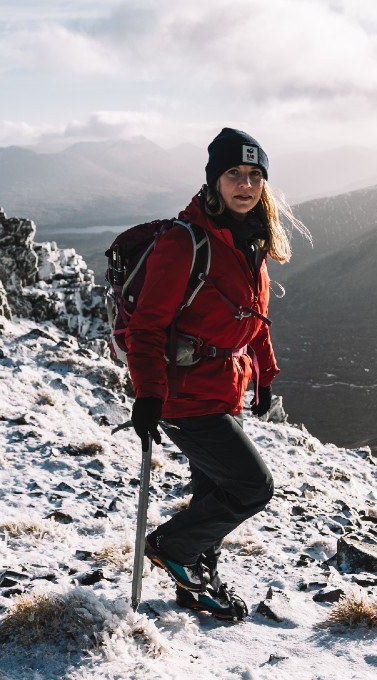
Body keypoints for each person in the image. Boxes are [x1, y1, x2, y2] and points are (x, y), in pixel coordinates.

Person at [125, 127, 307, 621]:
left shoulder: (251, 241)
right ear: (214, 180)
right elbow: (146, 329)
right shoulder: (186, 243)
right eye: (234, 174)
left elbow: (254, 320)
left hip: (226, 387)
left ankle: (198, 585)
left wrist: (264, 377)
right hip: (184, 395)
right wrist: (148, 397)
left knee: (213, 492)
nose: (245, 185)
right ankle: (172, 547)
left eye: (254, 175)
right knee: (253, 486)